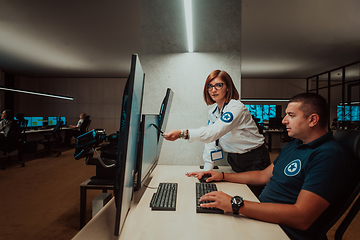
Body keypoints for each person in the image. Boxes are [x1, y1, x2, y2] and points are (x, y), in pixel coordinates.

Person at [187, 93, 357, 240]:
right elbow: (262, 176)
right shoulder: (295, 145)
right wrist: (223, 176)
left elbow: (302, 217)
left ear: (313, 119)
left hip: (282, 231)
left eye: (291, 115)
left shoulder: (328, 156)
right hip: (264, 217)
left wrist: (235, 203)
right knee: (202, 222)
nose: (284, 120)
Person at [163, 70, 270, 177]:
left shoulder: (236, 108)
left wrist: (182, 133)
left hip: (254, 158)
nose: (213, 90)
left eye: (218, 85)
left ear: (228, 87)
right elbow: (212, 142)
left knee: (253, 193)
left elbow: (213, 133)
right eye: (210, 86)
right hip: (234, 159)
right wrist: (207, 171)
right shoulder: (213, 112)